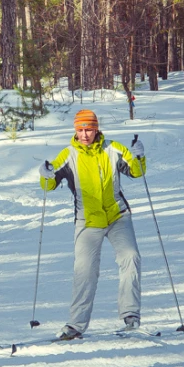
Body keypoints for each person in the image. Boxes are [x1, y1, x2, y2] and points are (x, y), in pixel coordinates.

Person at [39, 109, 146, 340]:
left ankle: (131, 316)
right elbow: (48, 185)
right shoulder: (68, 155)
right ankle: (76, 325)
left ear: (96, 129)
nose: (84, 134)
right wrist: (44, 174)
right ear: (75, 131)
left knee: (131, 257)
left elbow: (137, 173)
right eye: (80, 130)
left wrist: (139, 156)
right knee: (85, 271)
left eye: (88, 129)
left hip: (118, 216)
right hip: (87, 221)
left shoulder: (114, 149)